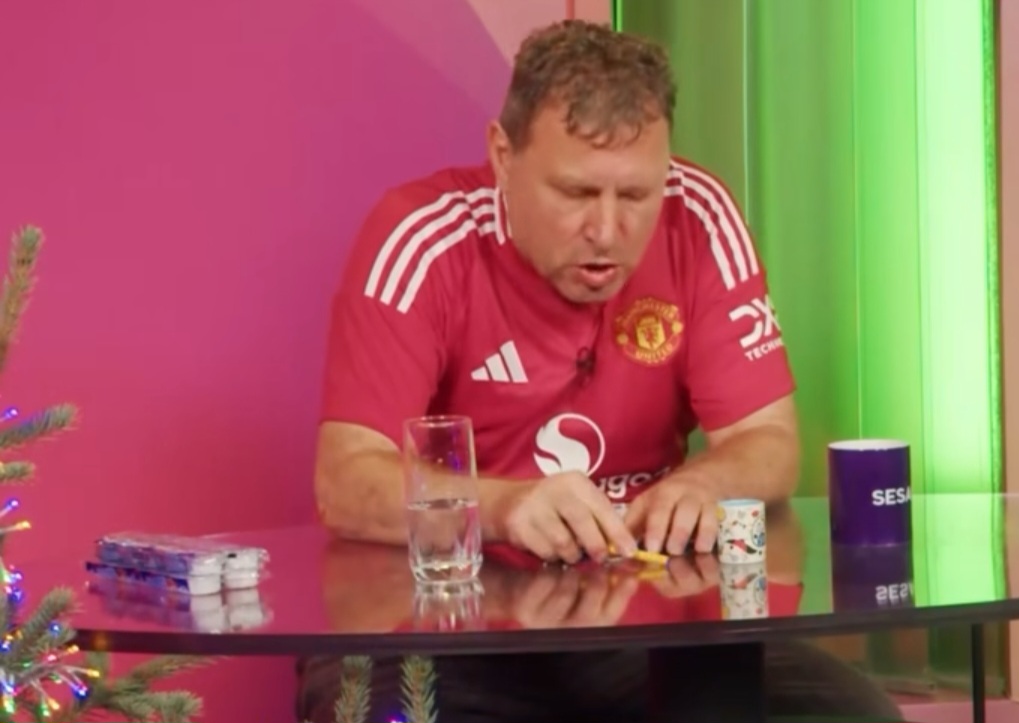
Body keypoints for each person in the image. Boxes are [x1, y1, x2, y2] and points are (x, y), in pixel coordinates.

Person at [301, 18, 904, 723]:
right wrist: (506, 508)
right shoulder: (421, 237)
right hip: (443, 621)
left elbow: (767, 441)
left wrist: (705, 482)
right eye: (577, 193)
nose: (607, 230)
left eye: (636, 196)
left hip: (643, 618)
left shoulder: (700, 216)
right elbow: (346, 480)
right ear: (503, 155)